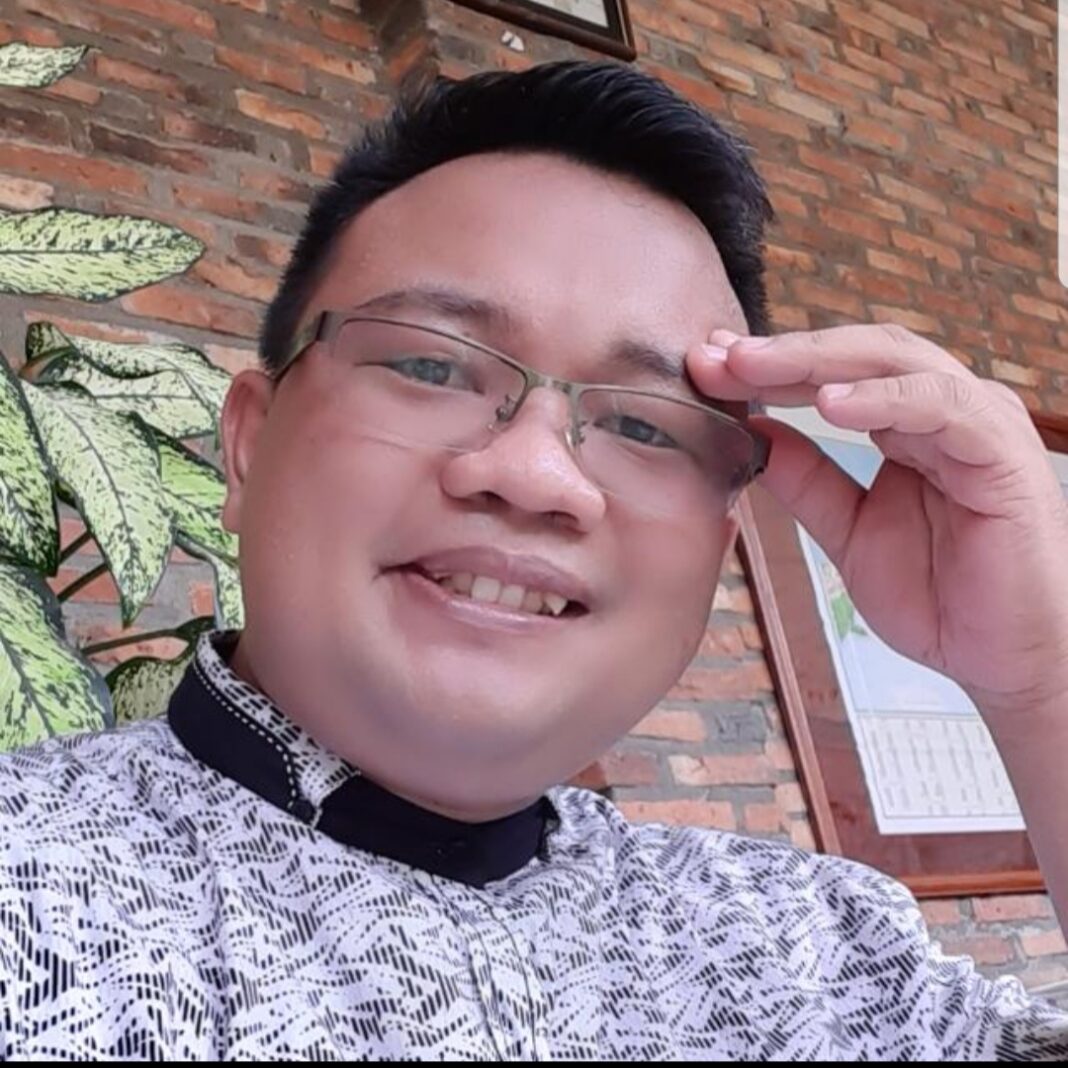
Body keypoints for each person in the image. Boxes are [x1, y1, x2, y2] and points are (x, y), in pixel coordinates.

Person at [1, 60, 1067, 1060]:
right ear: (247, 444)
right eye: (431, 366)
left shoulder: (822, 953)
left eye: (645, 425)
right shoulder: (29, 887)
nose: (534, 474)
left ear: (719, 546)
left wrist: (1041, 683)